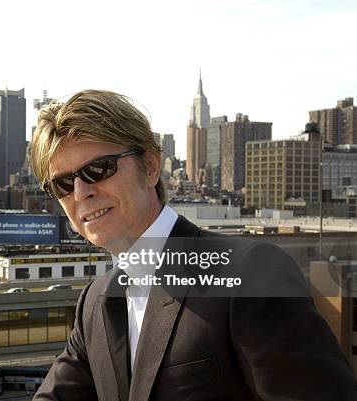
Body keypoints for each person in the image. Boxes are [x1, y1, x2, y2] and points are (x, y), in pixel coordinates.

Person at [28, 89, 355, 400]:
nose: (81, 192)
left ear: (151, 167)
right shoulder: (95, 304)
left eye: (98, 169)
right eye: (63, 184)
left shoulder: (247, 274)